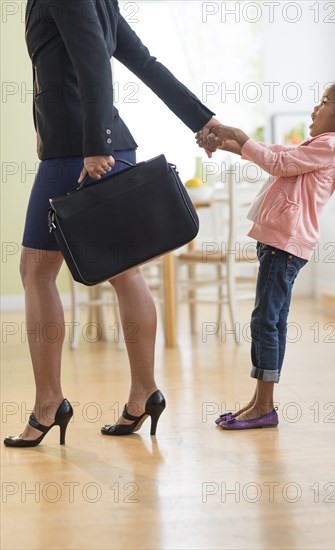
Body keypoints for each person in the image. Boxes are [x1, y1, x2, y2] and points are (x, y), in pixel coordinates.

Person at [4, 0, 220, 447]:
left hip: (79, 153)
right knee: (125, 270)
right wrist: (204, 121)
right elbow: (145, 63)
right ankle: (144, 393)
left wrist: (95, 144)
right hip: (104, 148)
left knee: (37, 270)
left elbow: (92, 65)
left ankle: (49, 404)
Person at [196, 79, 335, 430]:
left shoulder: (332, 146)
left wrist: (241, 136)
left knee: (265, 320)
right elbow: (280, 155)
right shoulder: (326, 145)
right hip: (282, 243)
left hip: (285, 245)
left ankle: (265, 406)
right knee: (269, 320)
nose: (315, 109)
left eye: (324, 102)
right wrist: (233, 145)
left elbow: (277, 163)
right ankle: (260, 402)